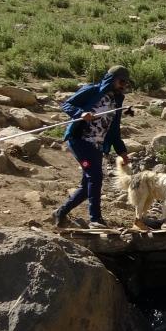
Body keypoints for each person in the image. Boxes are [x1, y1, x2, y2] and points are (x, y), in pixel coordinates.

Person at [52, 65, 132, 229]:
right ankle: (95, 219)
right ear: (111, 79)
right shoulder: (93, 90)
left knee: (86, 186)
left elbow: (114, 131)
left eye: (126, 83)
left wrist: (122, 152)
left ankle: (60, 212)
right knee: (95, 177)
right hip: (80, 141)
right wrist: (80, 114)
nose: (124, 86)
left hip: (97, 146)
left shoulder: (117, 102)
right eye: (121, 81)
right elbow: (67, 104)